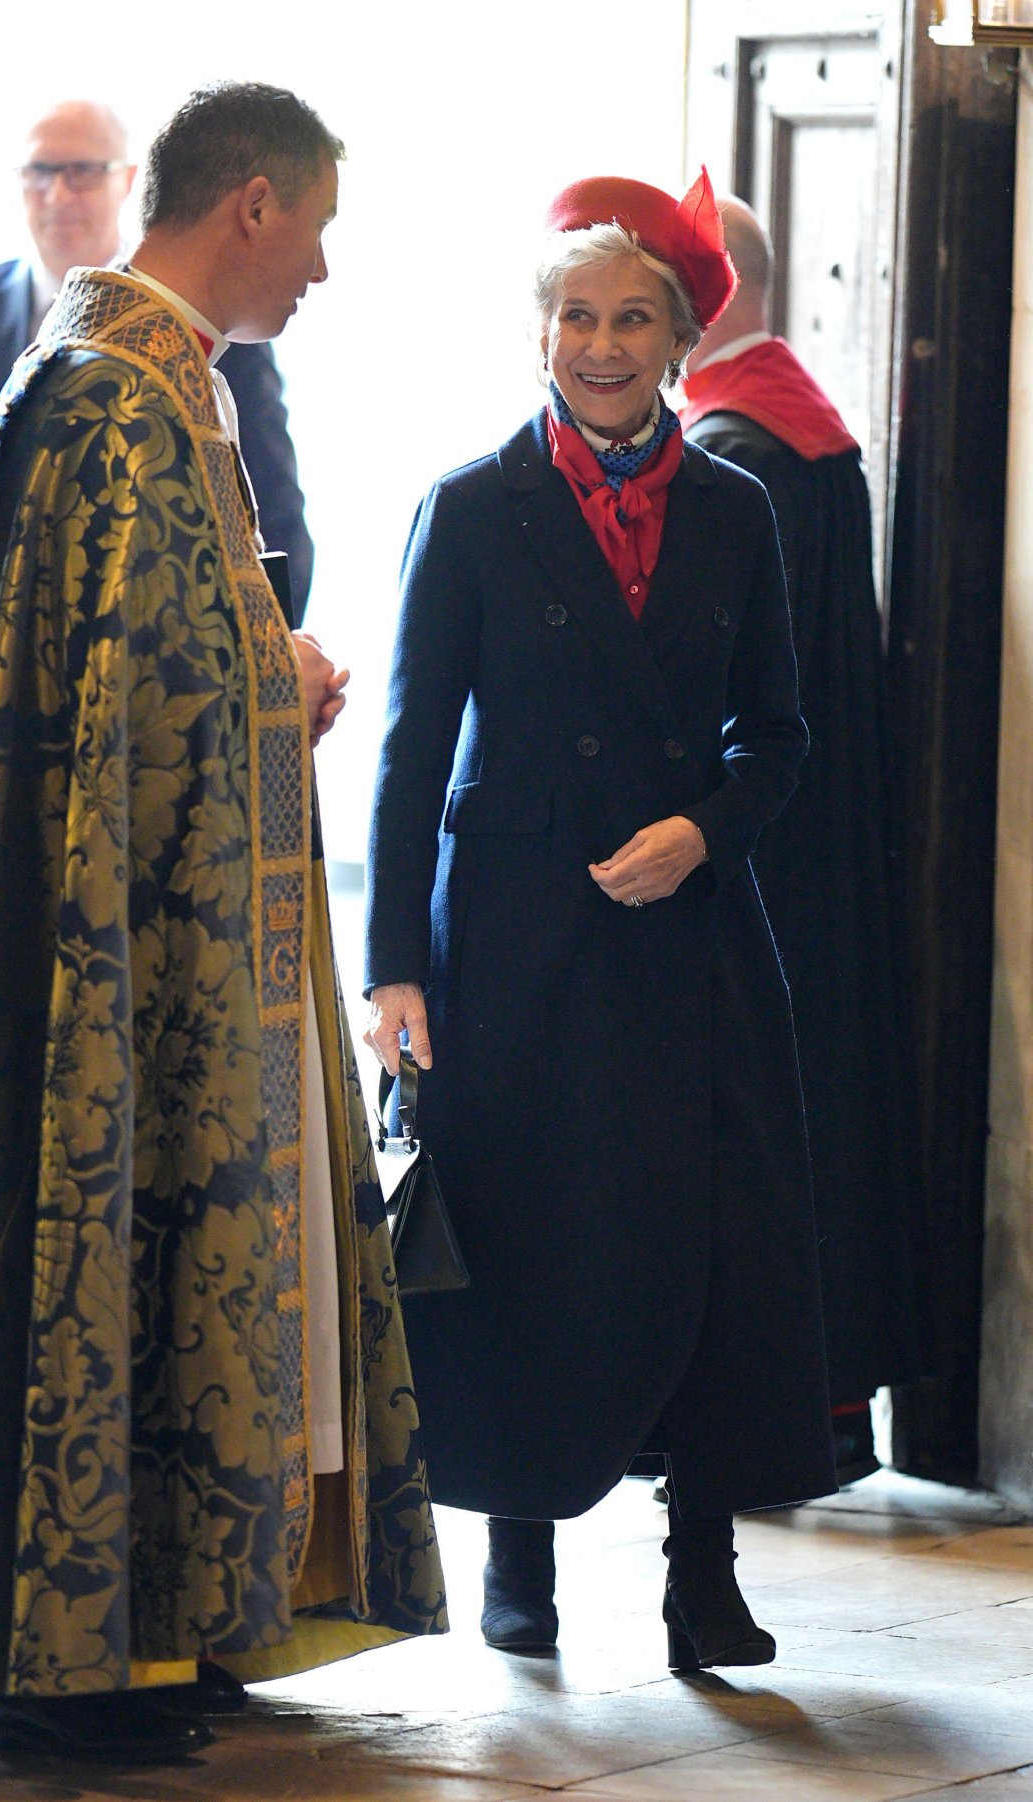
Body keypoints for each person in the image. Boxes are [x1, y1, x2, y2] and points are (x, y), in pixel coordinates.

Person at [0, 81, 445, 1764]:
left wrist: (271, 666)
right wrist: (294, 671)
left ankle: (170, 1621)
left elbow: (150, 659)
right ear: (251, 203)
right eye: (317, 227)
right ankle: (66, 1654)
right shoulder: (110, 398)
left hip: (169, 933)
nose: (323, 267)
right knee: (102, 1236)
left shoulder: (151, 380)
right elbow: (128, 688)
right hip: (106, 950)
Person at [364, 172, 836, 1670]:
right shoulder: (470, 503)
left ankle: (706, 1573)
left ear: (681, 338)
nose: (603, 343)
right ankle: (521, 1558)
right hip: (512, 938)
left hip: (687, 937)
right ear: (539, 333)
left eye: (634, 318)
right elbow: (406, 745)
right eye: (577, 315)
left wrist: (703, 830)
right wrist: (395, 972)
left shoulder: (738, 507)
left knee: (714, 1245)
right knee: (520, 1245)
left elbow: (779, 734)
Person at [680, 198, 922, 1485]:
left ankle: (780, 1421)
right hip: (815, 824)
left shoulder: (735, 448)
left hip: (747, 826)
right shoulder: (803, 423)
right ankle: (821, 1410)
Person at [0, 98, 316, 616]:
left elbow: (273, 511)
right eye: (40, 172)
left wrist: (276, 658)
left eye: (84, 172)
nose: (58, 193)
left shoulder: (221, 327)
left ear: (129, 181)